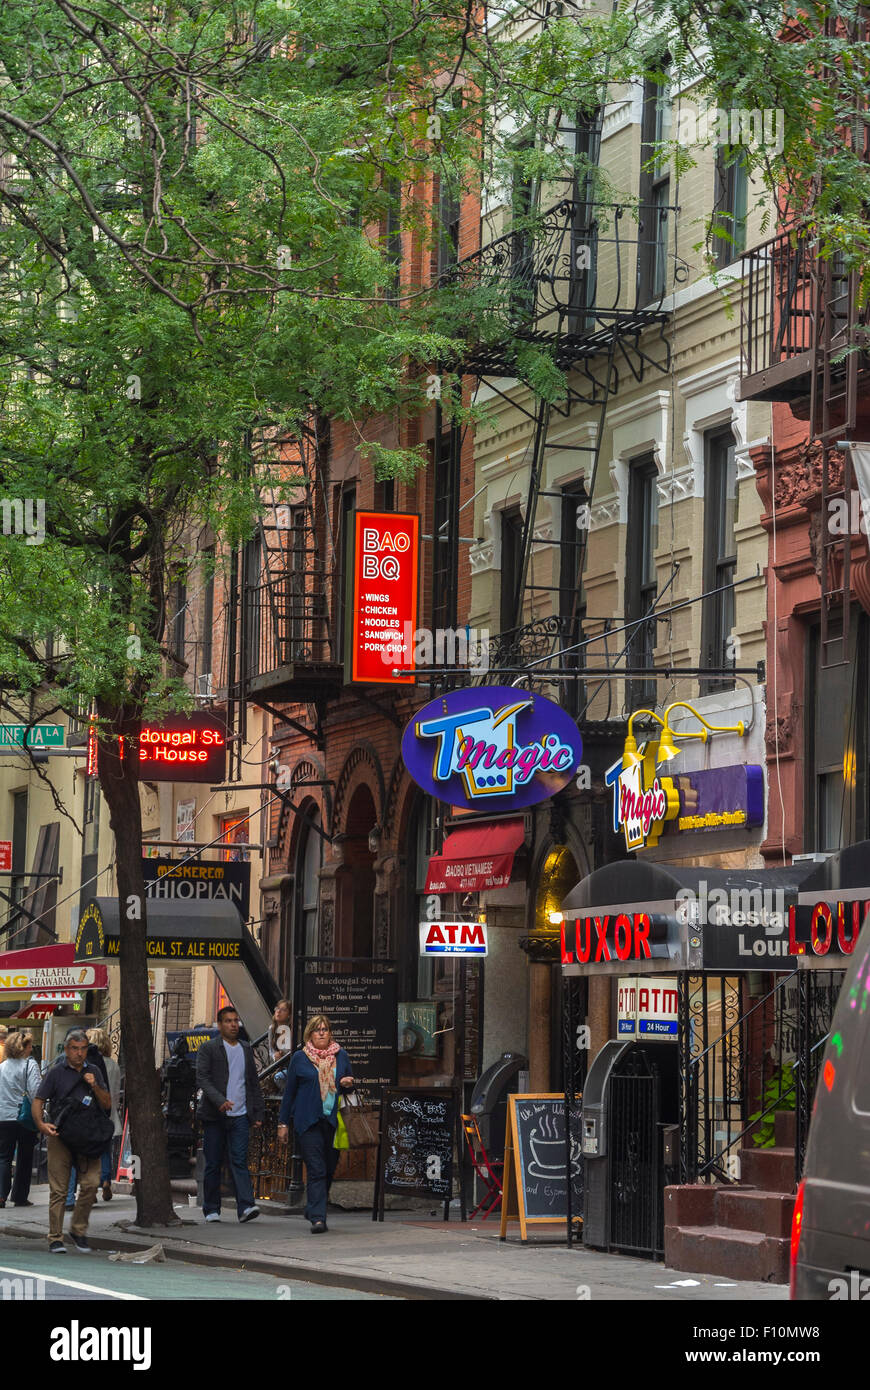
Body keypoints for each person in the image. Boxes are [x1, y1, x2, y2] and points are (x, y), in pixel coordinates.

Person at [32, 1028, 111, 1254]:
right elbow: (39, 1100)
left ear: (87, 1050)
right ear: (67, 1050)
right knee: (59, 1189)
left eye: (83, 1049)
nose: (78, 1053)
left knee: (90, 1183)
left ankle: (78, 1230)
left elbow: (107, 1104)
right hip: (61, 1135)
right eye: (74, 1049)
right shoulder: (57, 1072)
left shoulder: (95, 1070)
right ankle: (55, 1237)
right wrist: (41, 1125)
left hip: (88, 1136)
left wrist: (95, 1085)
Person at [277, 1014, 354, 1234]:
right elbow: (289, 1093)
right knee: (317, 1169)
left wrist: (348, 1084)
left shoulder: (342, 1056)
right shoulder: (300, 1059)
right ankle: (319, 1218)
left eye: (326, 1029)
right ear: (309, 1033)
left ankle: (312, 1207)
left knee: (329, 1167)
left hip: (333, 1120)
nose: (322, 1032)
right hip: (308, 1121)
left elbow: (348, 1088)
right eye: (317, 1029)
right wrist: (283, 1123)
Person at [195, 1005, 264, 1224]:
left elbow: (252, 1082)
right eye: (228, 1021)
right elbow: (203, 1078)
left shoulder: (245, 1048)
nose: (233, 1025)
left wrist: (257, 1113)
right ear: (219, 1025)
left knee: (239, 1161)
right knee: (213, 1163)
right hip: (215, 1116)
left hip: (241, 1115)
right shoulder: (209, 1048)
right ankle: (211, 1208)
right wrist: (220, 1101)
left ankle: (246, 1206)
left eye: (236, 1021)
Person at [66, 1029, 122, 1208]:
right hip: (109, 1109)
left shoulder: (90, 1065)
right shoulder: (113, 1065)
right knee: (105, 1149)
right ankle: (105, 1179)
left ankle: (87, 1189)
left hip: (92, 1112)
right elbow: (116, 1090)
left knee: (85, 1154)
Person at [0, 1029, 41, 1208]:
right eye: (30, 1045)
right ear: (23, 1047)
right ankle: (19, 1196)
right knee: (25, 1157)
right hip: (24, 1117)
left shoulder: (2, 1066)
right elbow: (35, 1091)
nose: (31, 1049)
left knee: (4, 1157)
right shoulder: (30, 1065)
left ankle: (1, 1195)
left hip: (3, 1116)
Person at [268, 998, 293, 1091]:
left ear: (289, 1015)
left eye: (283, 1010)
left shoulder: (292, 1028)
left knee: (278, 1077)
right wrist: (275, 1056)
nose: (278, 1011)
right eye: (277, 1008)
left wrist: (283, 1053)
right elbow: (271, 1050)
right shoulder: (272, 1028)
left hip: (292, 1065)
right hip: (280, 1066)